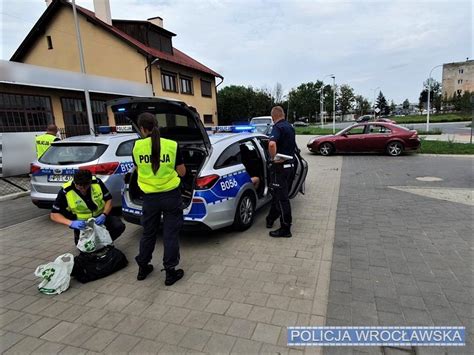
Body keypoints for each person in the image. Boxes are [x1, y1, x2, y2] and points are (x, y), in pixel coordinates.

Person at [132, 112, 186, 284]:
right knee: (170, 234)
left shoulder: (137, 147)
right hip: (170, 196)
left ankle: (143, 268)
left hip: (149, 198)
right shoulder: (172, 145)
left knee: (148, 233)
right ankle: (170, 272)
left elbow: (137, 168)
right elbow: (182, 172)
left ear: (142, 128)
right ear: (157, 125)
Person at [50, 170, 125, 245]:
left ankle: (104, 243)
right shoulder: (66, 191)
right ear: (75, 182)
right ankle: (93, 244)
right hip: (82, 223)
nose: (83, 189)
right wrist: (71, 223)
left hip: (100, 217)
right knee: (83, 247)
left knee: (118, 226)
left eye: (85, 186)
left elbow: (108, 200)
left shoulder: (97, 183)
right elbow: (54, 215)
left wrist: (104, 215)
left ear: (90, 182)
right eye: (79, 186)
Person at [265, 106, 296, 238]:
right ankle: (270, 218)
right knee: (279, 195)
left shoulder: (277, 127)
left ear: (273, 117)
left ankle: (285, 228)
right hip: (291, 166)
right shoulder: (290, 127)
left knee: (282, 199)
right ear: (283, 115)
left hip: (280, 168)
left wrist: (273, 158)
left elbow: (272, 144)